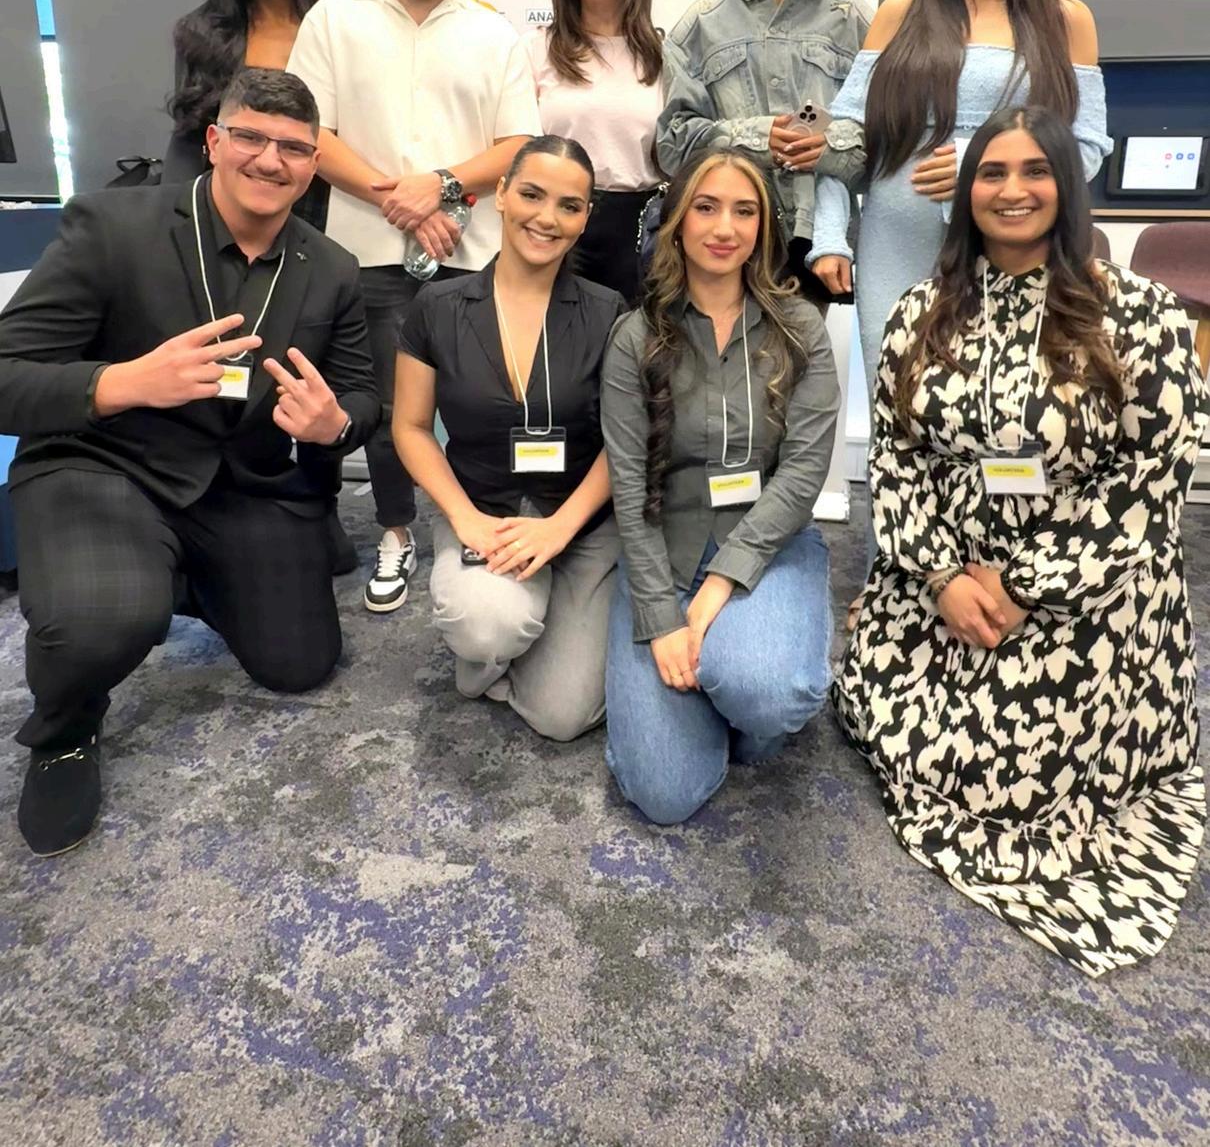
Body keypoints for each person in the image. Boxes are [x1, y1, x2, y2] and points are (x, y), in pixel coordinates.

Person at [836, 106, 1207, 976]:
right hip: (950, 571)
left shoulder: (1142, 315)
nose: (1012, 189)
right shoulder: (922, 312)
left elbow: (1149, 479)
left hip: (1089, 583)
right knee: (882, 712)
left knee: (1008, 779)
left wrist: (1025, 584)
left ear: (1066, 185)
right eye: (992, 173)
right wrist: (941, 577)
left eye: (1034, 170)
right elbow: (898, 454)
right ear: (967, 193)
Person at [0, 69, 379, 857]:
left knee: (301, 663)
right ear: (213, 140)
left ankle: (176, 575)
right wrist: (122, 382)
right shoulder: (112, 227)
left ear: (314, 165)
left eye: (293, 147)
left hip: (241, 485)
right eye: (251, 136)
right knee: (103, 617)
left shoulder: (332, 267)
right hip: (106, 465)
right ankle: (65, 729)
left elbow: (361, 394)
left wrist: (336, 422)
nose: (270, 159)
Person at [288, 0, 540, 614]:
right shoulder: (333, 20)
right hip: (366, 256)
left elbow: (518, 145)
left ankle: (481, 521)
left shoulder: (493, 33)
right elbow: (313, 134)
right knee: (390, 409)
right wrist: (399, 198)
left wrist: (443, 185)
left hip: (473, 256)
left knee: (485, 403)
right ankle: (396, 530)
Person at [808, 0, 1112, 406]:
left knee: (1007, 413)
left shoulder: (1067, 20)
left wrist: (982, 165)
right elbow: (844, 142)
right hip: (896, 252)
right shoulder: (900, 12)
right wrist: (829, 237)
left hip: (1015, 252)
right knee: (901, 414)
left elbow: (1086, 148)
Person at [601, 150, 840, 824]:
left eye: (744, 210)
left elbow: (803, 473)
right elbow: (629, 487)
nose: (725, 227)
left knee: (767, 694)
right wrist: (660, 619)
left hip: (767, 546)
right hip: (665, 549)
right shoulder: (635, 337)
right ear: (676, 221)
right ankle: (714, 685)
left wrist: (719, 586)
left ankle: (742, 687)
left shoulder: (800, 328)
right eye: (705, 207)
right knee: (664, 795)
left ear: (765, 226)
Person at [394, 136, 624, 739]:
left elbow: (623, 442)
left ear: (586, 218)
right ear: (499, 194)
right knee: (487, 626)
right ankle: (503, 636)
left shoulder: (609, 312)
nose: (547, 218)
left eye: (569, 206)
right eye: (532, 195)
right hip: (485, 512)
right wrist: (463, 518)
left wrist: (559, 528)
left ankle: (540, 622)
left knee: (562, 716)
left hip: (578, 523)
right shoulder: (437, 306)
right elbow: (410, 427)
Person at [656, 0, 872, 301]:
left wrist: (830, 148)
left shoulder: (855, 21)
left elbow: (887, 146)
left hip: (815, 249)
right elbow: (672, 146)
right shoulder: (700, 24)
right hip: (724, 244)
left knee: (799, 351)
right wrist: (755, 138)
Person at [508, 0, 665, 304]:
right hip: (553, 230)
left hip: (640, 242)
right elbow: (515, 151)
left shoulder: (666, 56)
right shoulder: (534, 49)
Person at [165, 0, 324, 196]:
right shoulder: (201, 34)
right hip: (235, 210)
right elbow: (186, 142)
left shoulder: (337, 24)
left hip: (328, 207)